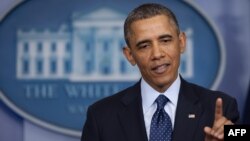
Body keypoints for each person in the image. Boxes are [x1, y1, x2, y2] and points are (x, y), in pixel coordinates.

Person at [81, 3, 239, 141]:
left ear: (181, 43)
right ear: (130, 55)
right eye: (144, 46)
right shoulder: (100, 116)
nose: (157, 54)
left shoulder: (222, 107)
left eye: (165, 40)